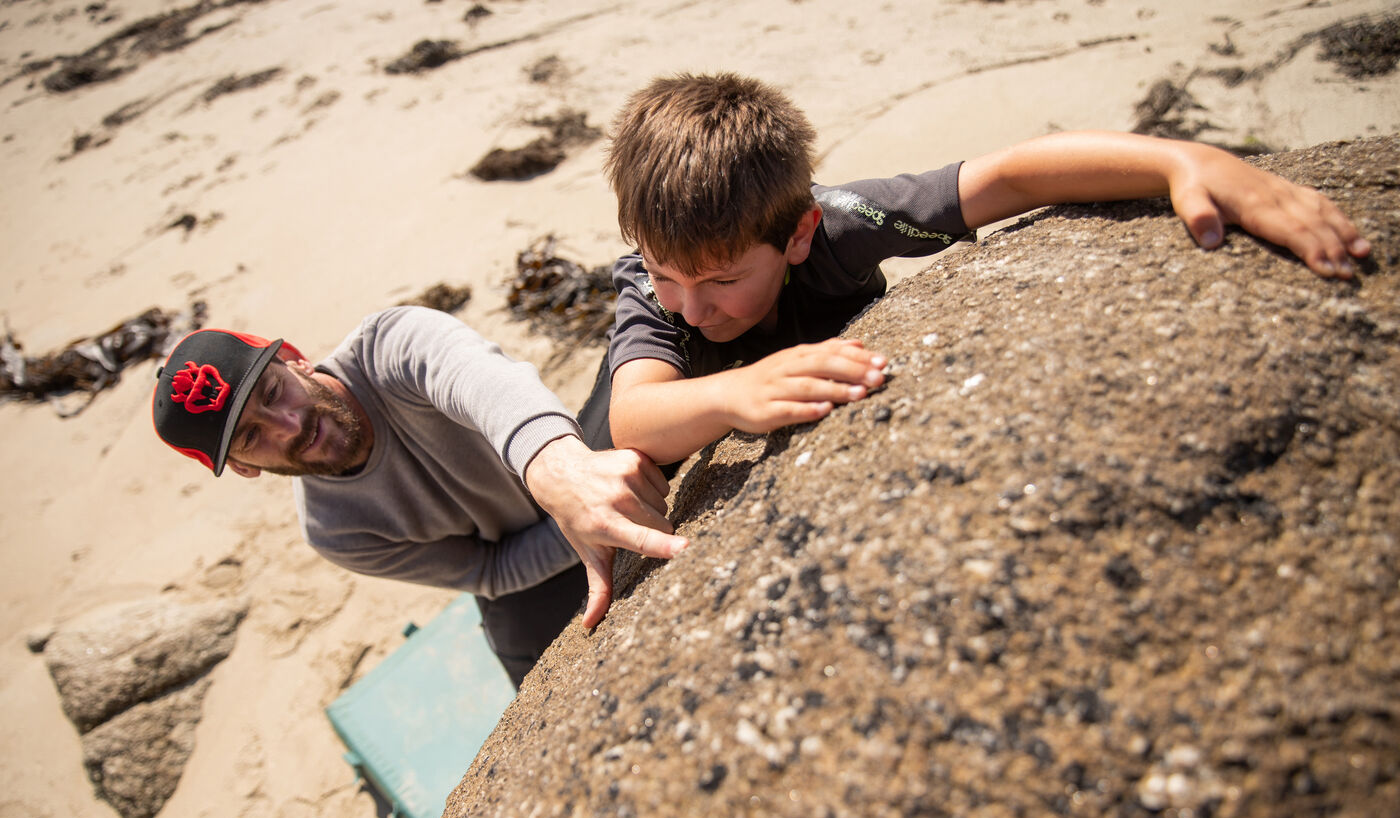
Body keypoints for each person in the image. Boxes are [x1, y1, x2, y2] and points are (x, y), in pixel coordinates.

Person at [596, 72, 1373, 468]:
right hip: (601, 468)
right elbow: (632, 418)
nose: (689, 306)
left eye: (721, 281)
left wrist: (1184, 160)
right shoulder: (651, 288)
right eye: (668, 275)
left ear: (798, 237)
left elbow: (1009, 177)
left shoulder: (835, 225)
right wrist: (734, 391)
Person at [152, 305, 687, 687]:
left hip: (563, 456)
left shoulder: (389, 344)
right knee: (524, 651)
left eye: (273, 392)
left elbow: (486, 384)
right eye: (252, 436)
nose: (288, 424)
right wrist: (577, 526)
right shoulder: (333, 529)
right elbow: (491, 571)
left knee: (651, 351)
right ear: (243, 467)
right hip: (525, 565)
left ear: (295, 361)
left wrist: (557, 467)